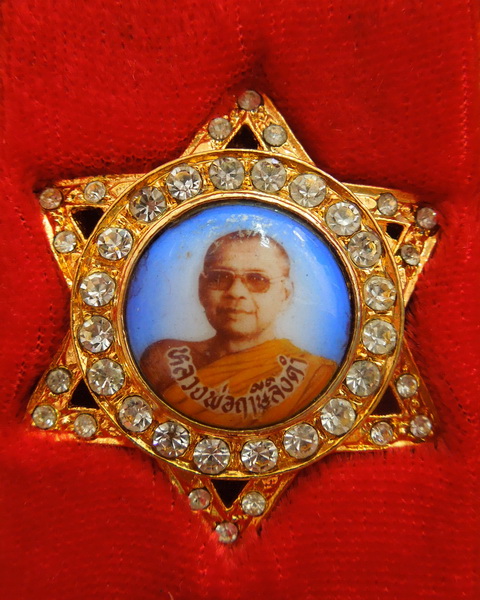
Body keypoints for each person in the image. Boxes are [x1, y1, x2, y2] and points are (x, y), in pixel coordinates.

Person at [140, 230, 337, 428]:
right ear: (202, 288)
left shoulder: (317, 375)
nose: (235, 292)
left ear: (285, 294)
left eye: (257, 279)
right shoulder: (164, 361)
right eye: (220, 278)